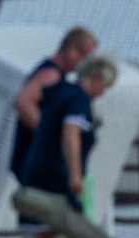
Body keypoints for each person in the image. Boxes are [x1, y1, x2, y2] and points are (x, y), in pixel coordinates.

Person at [11, 53, 121, 238]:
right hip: (57, 179)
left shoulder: (60, 92)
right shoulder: (78, 100)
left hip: (35, 171)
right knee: (81, 237)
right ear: (95, 78)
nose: (102, 94)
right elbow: (70, 134)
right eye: (104, 87)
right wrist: (74, 174)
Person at [11, 28, 98, 178]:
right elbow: (23, 102)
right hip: (33, 163)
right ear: (71, 49)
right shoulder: (51, 74)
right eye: (84, 56)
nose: (84, 64)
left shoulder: (57, 75)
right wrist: (50, 133)